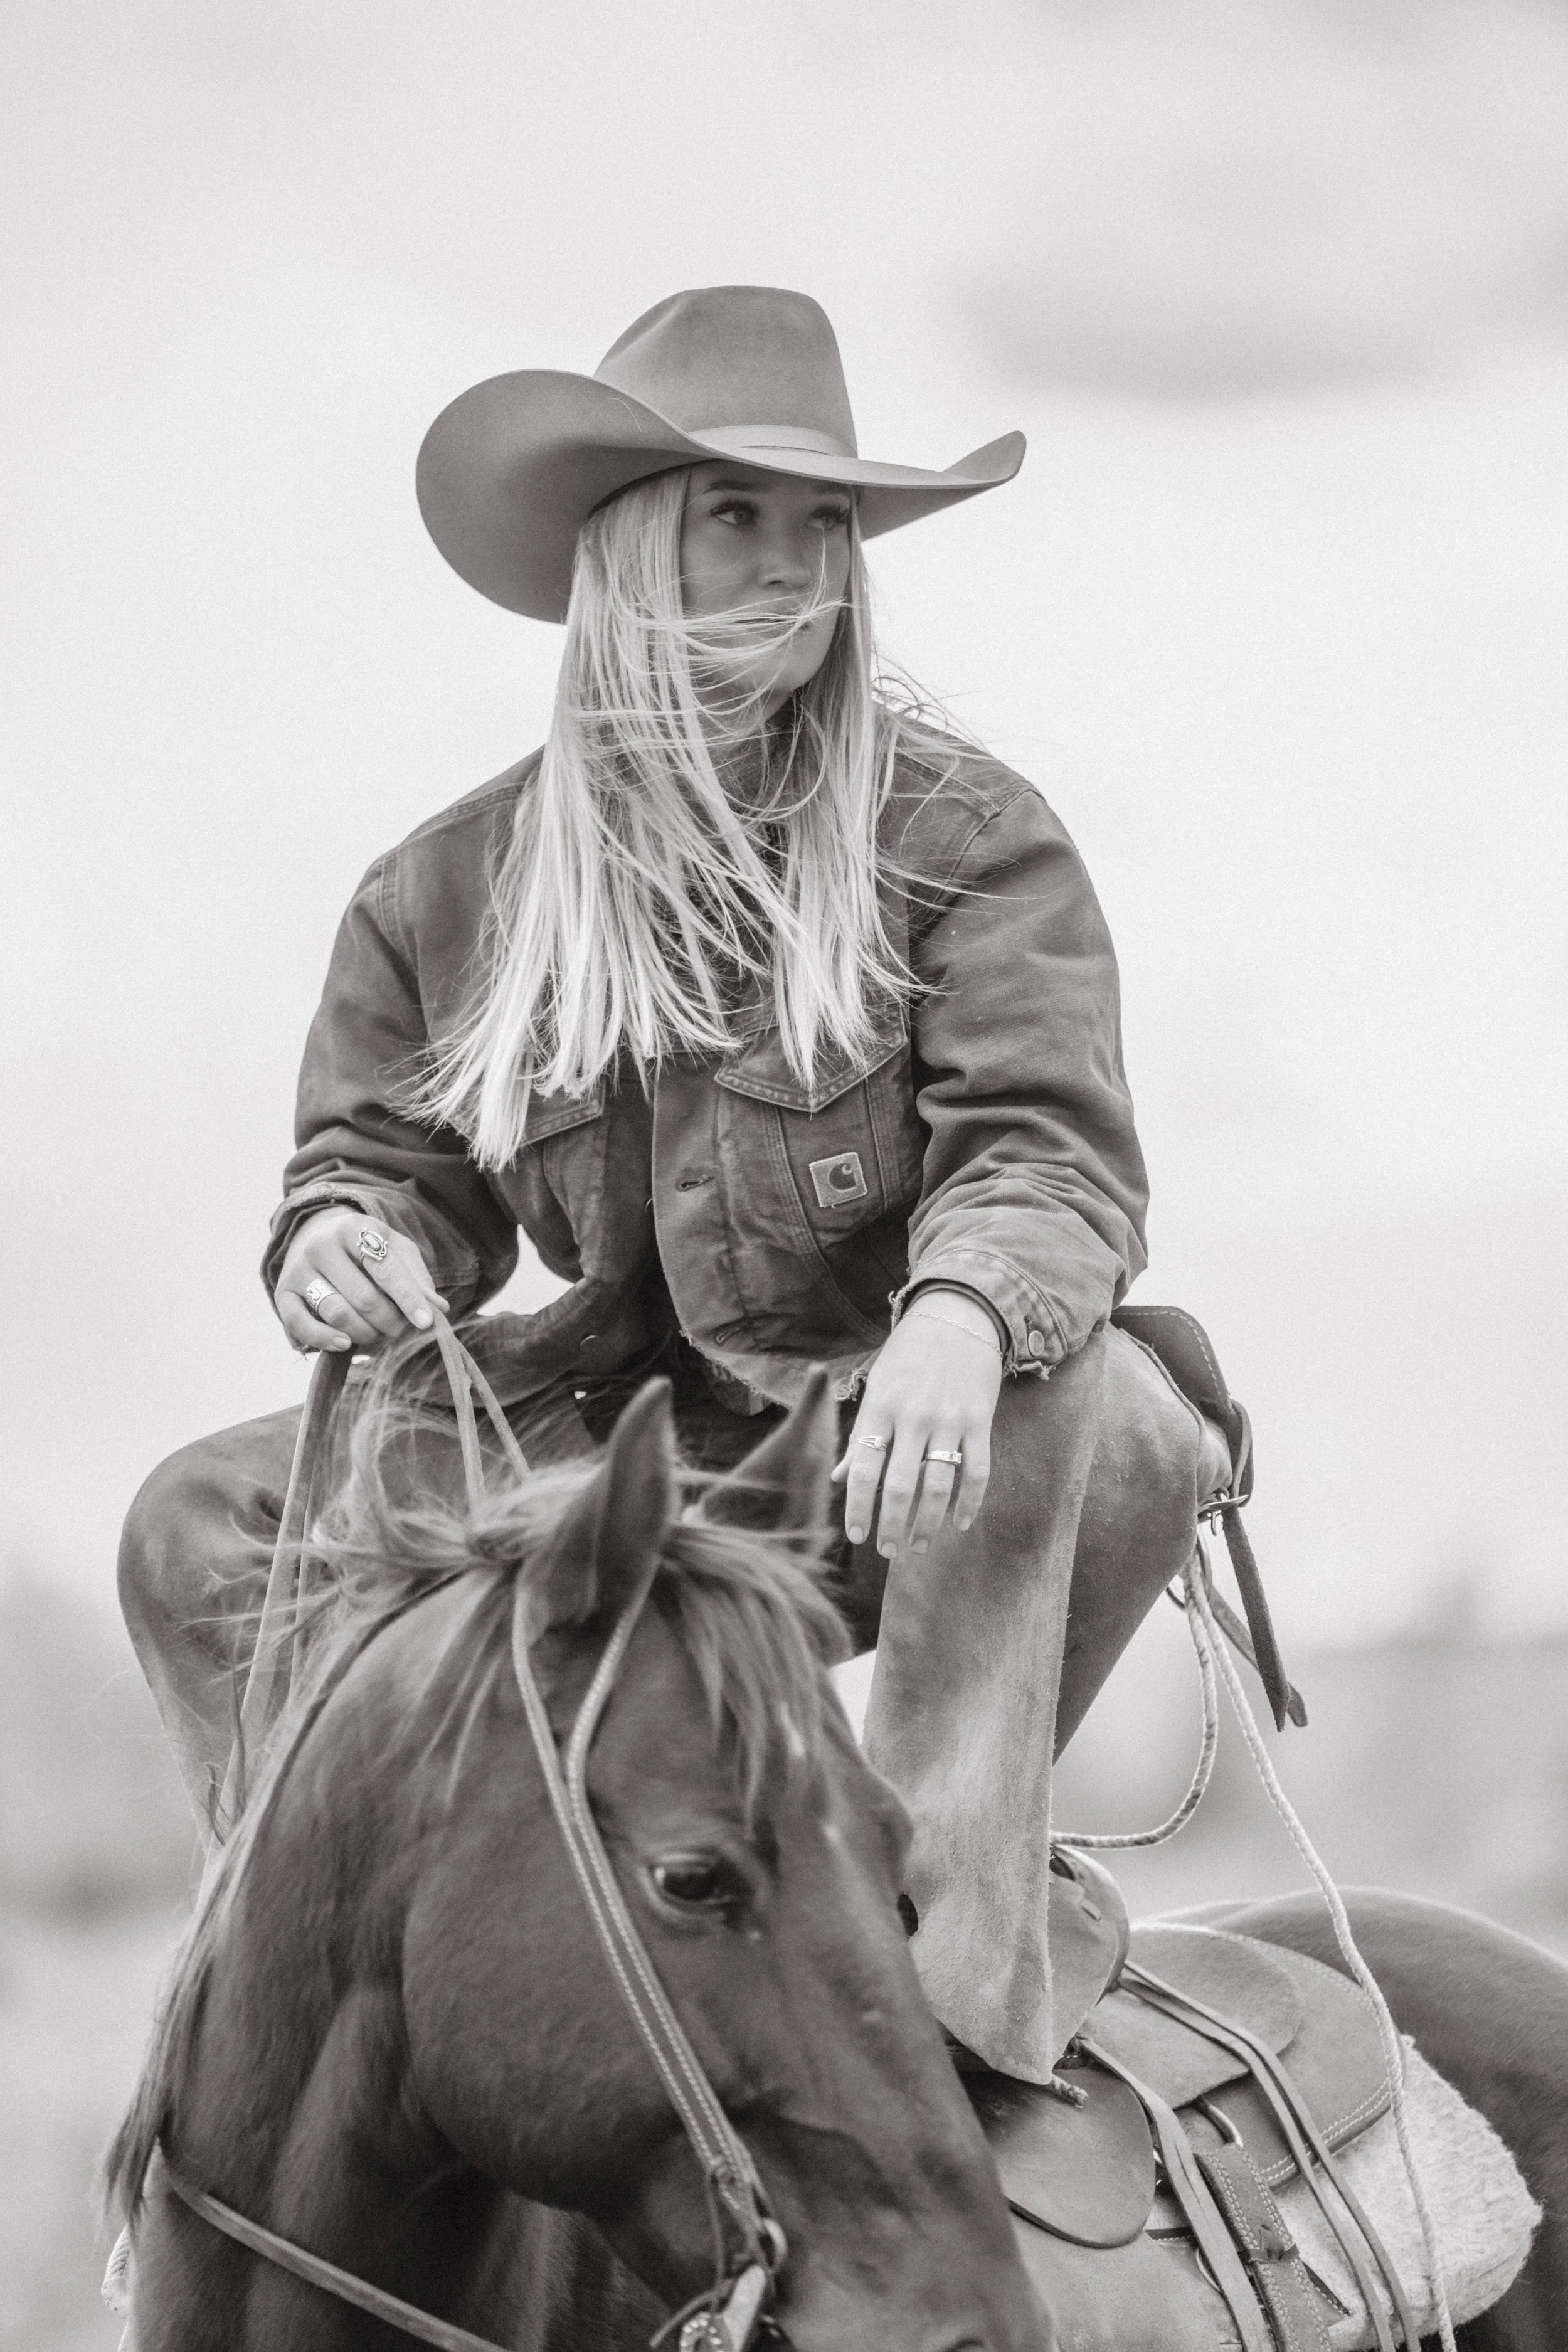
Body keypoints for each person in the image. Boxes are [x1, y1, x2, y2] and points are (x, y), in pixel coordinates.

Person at [118, 286, 1232, 2085]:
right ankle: (331, 1989)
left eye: (824, 523)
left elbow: (1046, 1152)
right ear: (629, 550)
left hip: (898, 1460)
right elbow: (388, 1164)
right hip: (616, 1458)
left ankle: (943, 2003)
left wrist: (960, 1309)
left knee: (1093, 1402)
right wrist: (347, 1232)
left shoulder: (967, 841)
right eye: (736, 515)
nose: (793, 566)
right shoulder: (447, 890)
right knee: (204, 1517)